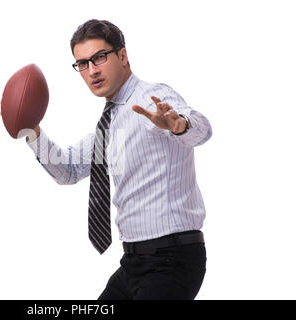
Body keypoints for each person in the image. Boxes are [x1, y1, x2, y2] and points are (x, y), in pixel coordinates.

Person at [24, 19, 212, 300]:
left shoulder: (152, 99)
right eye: (82, 64)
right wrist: (31, 130)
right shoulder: (112, 124)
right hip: (134, 263)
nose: (92, 71)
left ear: (122, 56)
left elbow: (202, 130)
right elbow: (69, 170)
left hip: (172, 260)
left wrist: (178, 124)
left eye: (99, 57)